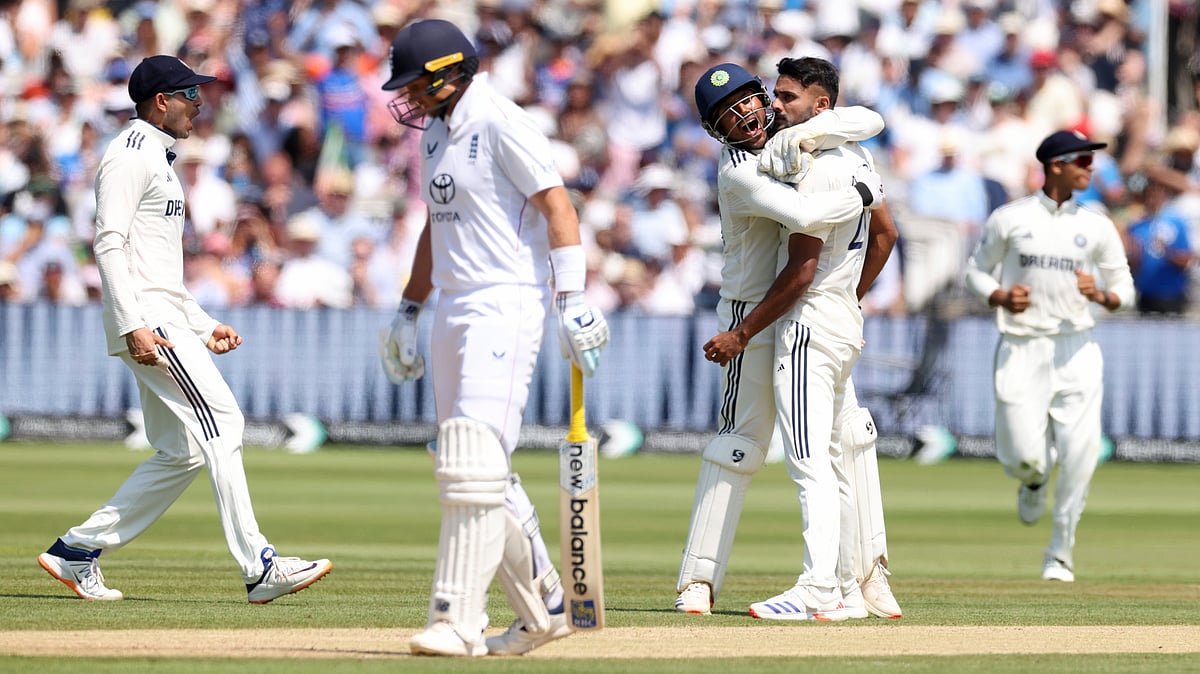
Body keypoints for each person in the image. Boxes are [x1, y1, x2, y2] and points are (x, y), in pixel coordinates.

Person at [36, 55, 332, 603]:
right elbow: (109, 241)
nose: (201, 106)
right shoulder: (129, 156)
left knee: (183, 452)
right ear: (162, 102)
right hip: (148, 323)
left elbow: (159, 271)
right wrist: (133, 323)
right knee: (223, 419)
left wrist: (202, 324)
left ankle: (76, 551)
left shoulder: (158, 157)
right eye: (191, 96)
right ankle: (260, 566)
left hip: (164, 317)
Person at [377, 20, 610, 657]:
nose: (409, 99)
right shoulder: (434, 135)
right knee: (467, 464)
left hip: (505, 304)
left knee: (474, 461)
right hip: (453, 306)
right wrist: (409, 308)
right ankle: (547, 606)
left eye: (415, 86)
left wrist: (573, 299)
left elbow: (559, 205)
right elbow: (435, 225)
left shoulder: (501, 120)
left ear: (449, 73)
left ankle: (457, 619)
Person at [675, 61, 885, 618]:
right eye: (726, 114)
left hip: (808, 308)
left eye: (746, 100)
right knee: (739, 445)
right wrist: (867, 188)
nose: (742, 116)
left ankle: (867, 579)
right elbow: (807, 215)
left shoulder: (797, 139)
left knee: (850, 439)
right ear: (716, 130)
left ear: (763, 97)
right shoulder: (738, 169)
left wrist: (817, 130)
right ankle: (697, 579)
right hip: (752, 311)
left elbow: (870, 118)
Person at [964, 129, 1135, 582]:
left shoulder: (1096, 222)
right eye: (1083, 160)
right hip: (1021, 345)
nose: (1090, 168)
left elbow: (1126, 291)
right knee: (1023, 456)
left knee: (1080, 455)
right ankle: (1034, 478)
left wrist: (1099, 293)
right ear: (1056, 164)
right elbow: (975, 273)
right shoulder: (1010, 218)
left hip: (1076, 347)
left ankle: (1060, 552)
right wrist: (1000, 295)